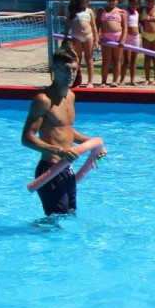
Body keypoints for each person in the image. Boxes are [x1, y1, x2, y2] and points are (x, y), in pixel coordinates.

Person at [21, 43, 105, 216]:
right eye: (66, 70)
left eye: (74, 70)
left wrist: (94, 146)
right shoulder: (43, 100)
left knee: (70, 214)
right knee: (55, 221)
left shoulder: (71, 96)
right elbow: (27, 138)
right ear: (54, 70)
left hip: (67, 168)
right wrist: (58, 150)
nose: (70, 75)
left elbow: (66, 131)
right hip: (50, 169)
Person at [66, 0, 97, 88]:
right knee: (77, 59)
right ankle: (76, 81)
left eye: (90, 1)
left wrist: (96, 39)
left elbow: (94, 26)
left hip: (88, 37)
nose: (89, 2)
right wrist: (65, 37)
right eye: (87, 0)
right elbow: (67, 24)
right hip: (76, 37)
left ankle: (90, 82)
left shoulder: (90, 11)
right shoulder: (72, 10)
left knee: (89, 59)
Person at [97, 0, 125, 87]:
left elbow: (125, 28)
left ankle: (115, 81)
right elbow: (97, 25)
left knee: (117, 60)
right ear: (106, 0)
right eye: (109, 0)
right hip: (106, 39)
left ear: (117, 1)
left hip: (117, 38)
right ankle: (103, 81)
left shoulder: (121, 12)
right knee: (106, 60)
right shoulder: (102, 11)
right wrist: (96, 37)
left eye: (113, 0)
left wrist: (122, 39)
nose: (111, 2)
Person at [121, 0, 141, 85]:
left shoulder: (137, 13)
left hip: (135, 38)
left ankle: (132, 79)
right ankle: (122, 79)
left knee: (134, 60)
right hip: (127, 38)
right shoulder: (125, 12)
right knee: (127, 60)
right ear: (129, 3)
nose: (135, 6)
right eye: (133, 3)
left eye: (137, 4)